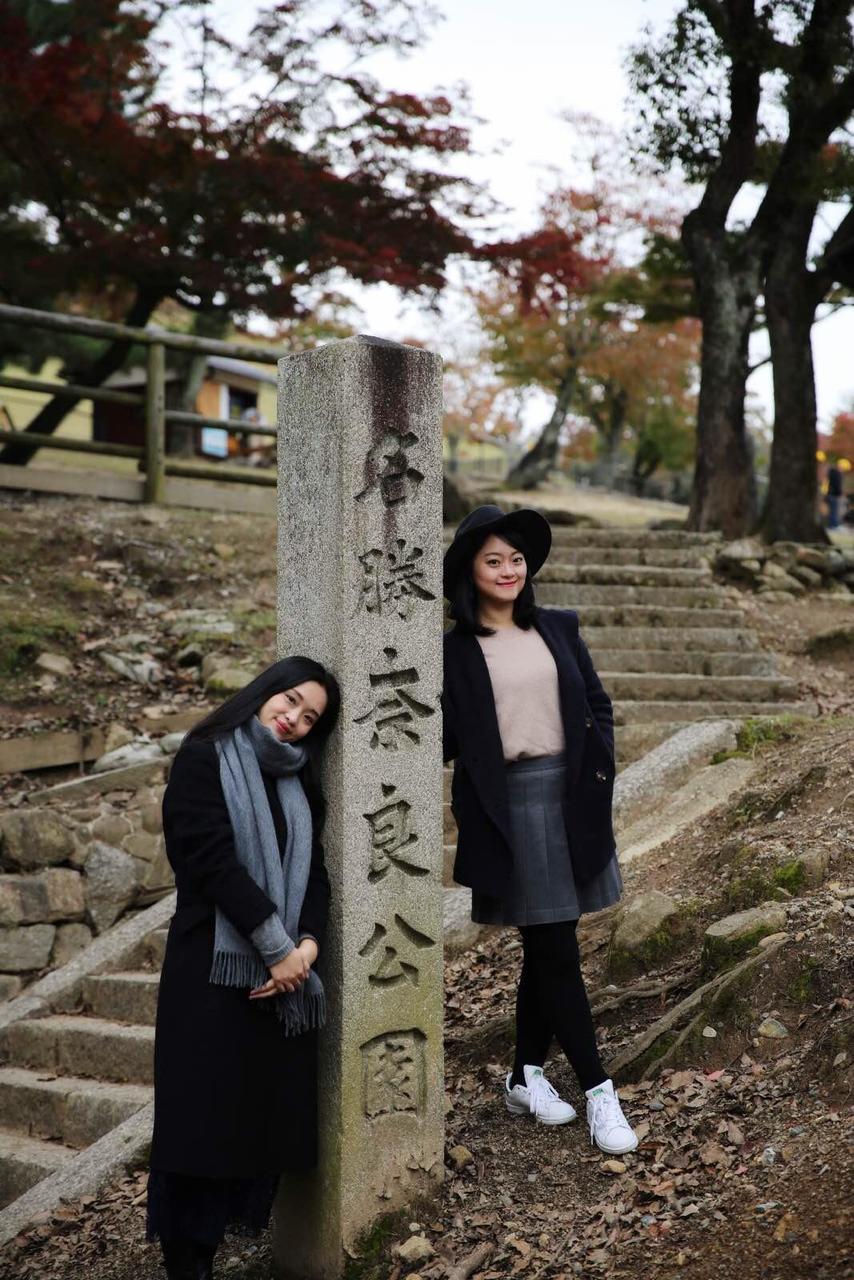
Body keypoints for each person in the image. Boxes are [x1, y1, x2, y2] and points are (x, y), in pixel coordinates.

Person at [442, 505, 637, 1156]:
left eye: (517, 559)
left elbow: (596, 703)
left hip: (572, 797)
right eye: (493, 560)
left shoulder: (558, 627)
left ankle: (525, 1075)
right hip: (510, 808)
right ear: (471, 571)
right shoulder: (454, 651)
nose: (509, 570)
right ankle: (599, 1092)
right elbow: (447, 738)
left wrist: (599, 770)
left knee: (549, 946)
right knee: (555, 949)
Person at [146, 657, 341, 1280]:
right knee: (202, 1125)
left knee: (258, 1123)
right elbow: (209, 860)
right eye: (290, 701)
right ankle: (189, 1262)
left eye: (310, 718)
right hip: (212, 971)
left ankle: (219, 1247)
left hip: (281, 981)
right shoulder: (204, 756)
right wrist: (275, 947)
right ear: (264, 692)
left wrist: (306, 946)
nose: (294, 719)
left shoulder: (297, 779)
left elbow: (315, 872)